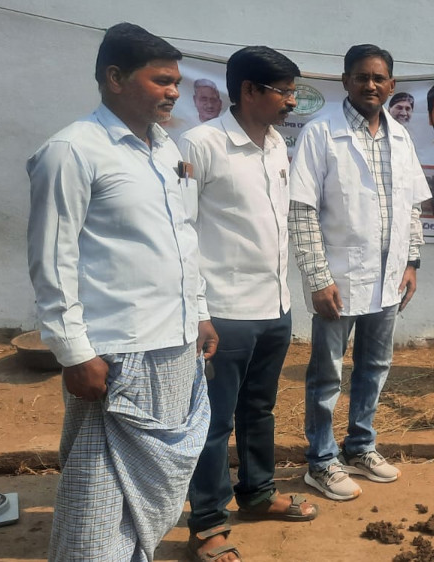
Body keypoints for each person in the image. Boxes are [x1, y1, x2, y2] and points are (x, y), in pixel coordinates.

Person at [26, 22, 215, 561]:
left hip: (175, 346)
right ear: (114, 78)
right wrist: (73, 352)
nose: (173, 92)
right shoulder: (72, 151)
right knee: (99, 497)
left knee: (153, 492)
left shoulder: (164, 150)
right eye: (161, 80)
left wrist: (200, 312)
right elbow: (52, 260)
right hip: (116, 355)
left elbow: (182, 239)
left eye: (176, 82)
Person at [178, 46, 317, 562]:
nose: (292, 101)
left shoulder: (277, 144)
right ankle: (207, 523)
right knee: (214, 422)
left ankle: (257, 493)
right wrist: (199, 311)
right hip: (224, 313)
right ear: (249, 90)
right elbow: (182, 231)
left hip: (274, 307)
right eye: (284, 91)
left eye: (294, 92)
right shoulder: (201, 144)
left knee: (259, 409)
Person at [288, 44, 431, 502]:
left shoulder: (401, 137)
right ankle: (321, 461)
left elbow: (412, 208)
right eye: (362, 77)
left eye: (379, 78)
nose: (371, 85)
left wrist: (412, 262)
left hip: (389, 278)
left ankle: (360, 446)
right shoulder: (320, 133)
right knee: (326, 374)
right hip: (339, 279)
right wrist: (317, 277)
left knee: (374, 366)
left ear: (391, 85)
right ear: (346, 81)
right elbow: (302, 211)